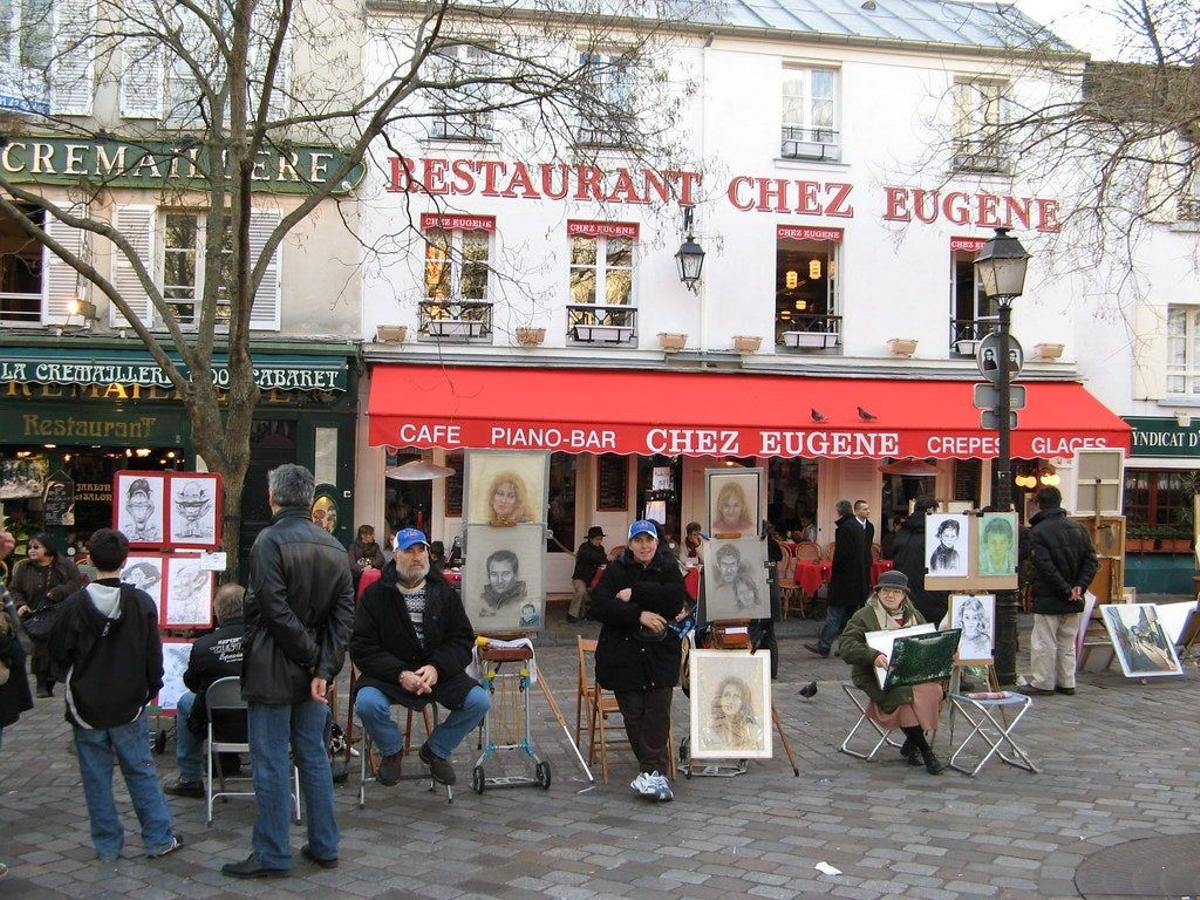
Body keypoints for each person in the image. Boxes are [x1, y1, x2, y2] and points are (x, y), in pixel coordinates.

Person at [223, 464, 355, 879]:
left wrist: (313, 658)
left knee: (272, 760)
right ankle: (324, 844)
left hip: (273, 662)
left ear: (273, 498)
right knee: (312, 755)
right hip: (311, 666)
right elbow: (343, 616)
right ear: (308, 497)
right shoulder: (333, 546)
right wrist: (323, 665)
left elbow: (272, 608)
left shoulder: (269, 541)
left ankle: (273, 851)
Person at [47, 529, 183, 860]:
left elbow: (59, 651)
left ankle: (107, 844)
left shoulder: (75, 604)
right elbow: (154, 654)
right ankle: (158, 836)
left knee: (95, 777)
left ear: (89, 559)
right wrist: (152, 687)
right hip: (128, 701)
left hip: (86, 701)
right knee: (140, 769)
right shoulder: (140, 603)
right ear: (125, 560)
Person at [351, 528, 489, 789]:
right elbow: (361, 647)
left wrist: (437, 667)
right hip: (390, 676)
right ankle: (392, 750)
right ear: (396, 555)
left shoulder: (444, 592)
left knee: (479, 701)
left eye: (421, 550)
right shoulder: (376, 594)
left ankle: (436, 750)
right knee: (367, 703)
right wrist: (400, 674)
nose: (417, 557)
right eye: (409, 551)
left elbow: (461, 640)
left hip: (436, 673)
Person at [591, 520, 689, 803]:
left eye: (649, 540)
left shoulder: (668, 567)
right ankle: (652, 772)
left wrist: (636, 594)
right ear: (630, 544)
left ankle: (652, 772)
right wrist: (639, 615)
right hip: (624, 655)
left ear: (656, 543)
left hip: (659, 654)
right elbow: (600, 605)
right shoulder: (616, 570)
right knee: (634, 714)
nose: (644, 546)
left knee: (657, 713)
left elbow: (673, 600)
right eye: (639, 541)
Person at [838, 570, 946, 775]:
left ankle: (912, 742)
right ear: (877, 593)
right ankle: (925, 750)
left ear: (904, 595)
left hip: (911, 671)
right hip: (873, 674)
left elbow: (928, 641)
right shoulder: (864, 615)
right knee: (903, 695)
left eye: (896, 592)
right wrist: (873, 655)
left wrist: (943, 652)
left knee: (934, 690)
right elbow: (846, 645)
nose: (890, 595)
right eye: (885, 591)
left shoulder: (913, 615)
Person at [163, 583, 247, 799]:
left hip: (216, 719)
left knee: (185, 701)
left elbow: (192, 683)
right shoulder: (263, 640)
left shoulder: (203, 646)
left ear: (217, 611)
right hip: (259, 716)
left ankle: (190, 777)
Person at [1020, 486, 1097, 697]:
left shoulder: (1038, 531)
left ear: (1039, 504)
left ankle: (1043, 682)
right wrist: (1079, 587)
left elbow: (1045, 567)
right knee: (1067, 641)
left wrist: (1065, 590)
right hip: (1073, 596)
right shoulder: (1079, 529)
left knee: (1044, 641)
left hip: (1049, 596)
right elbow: (1091, 561)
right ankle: (1067, 681)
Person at [10, 533, 88, 698]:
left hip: (61, 613)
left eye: (36, 547)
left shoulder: (64, 565)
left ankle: (51, 680)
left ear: (47, 548)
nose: (32, 550)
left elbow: (75, 584)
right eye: (30, 547)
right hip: (36, 615)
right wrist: (21, 604)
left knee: (56, 647)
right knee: (40, 647)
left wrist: (56, 592)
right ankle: (42, 683)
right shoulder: (24, 568)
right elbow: (15, 589)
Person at [805, 499, 872, 658]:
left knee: (835, 615)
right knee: (849, 618)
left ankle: (824, 645)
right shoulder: (860, 528)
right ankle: (846, 647)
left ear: (839, 512)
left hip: (845, 581)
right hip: (857, 580)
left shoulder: (845, 528)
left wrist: (835, 577)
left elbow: (842, 556)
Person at [887, 498, 949, 624]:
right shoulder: (933, 534)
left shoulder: (902, 532)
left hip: (904, 592)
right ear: (931, 510)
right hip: (930, 594)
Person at [701, 677, 762, 752]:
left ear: (743, 702)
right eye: (726, 695)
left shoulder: (752, 731)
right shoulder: (710, 730)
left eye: (736, 696)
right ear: (720, 699)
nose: (730, 701)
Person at [569, 526, 608, 623]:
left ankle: (592, 613)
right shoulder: (584, 548)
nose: (599, 541)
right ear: (591, 539)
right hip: (580, 577)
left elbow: (602, 562)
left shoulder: (601, 549)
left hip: (593, 579)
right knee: (581, 591)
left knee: (603, 591)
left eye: (600, 539)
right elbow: (592, 557)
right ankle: (572, 614)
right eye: (597, 539)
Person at [480, 549, 527, 614]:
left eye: (505, 574)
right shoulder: (482, 599)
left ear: (516, 575)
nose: (499, 581)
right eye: (494, 574)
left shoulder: (523, 598)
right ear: (489, 576)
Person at [123, 478, 161, 542]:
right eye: (136, 496)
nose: (139, 501)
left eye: (142, 496)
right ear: (129, 497)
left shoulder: (156, 532)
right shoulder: (125, 531)